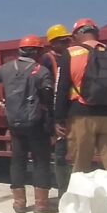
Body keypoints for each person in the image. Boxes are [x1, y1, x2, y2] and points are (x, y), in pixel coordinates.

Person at [0, 35, 55, 213]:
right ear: (36, 52)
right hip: (36, 124)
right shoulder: (41, 71)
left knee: (18, 161)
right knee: (41, 161)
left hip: (14, 122)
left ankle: (19, 203)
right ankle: (41, 205)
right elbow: (48, 95)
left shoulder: (7, 68)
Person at [54, 18, 107, 173]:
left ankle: (83, 197)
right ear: (96, 33)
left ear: (76, 35)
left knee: (80, 166)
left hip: (82, 114)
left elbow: (61, 89)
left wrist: (59, 119)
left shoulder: (71, 53)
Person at [44, 24, 72, 194]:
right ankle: (64, 193)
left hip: (71, 109)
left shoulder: (70, 56)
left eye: (68, 40)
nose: (68, 43)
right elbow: (46, 92)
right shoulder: (48, 59)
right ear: (53, 43)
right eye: (64, 41)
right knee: (61, 154)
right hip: (57, 111)